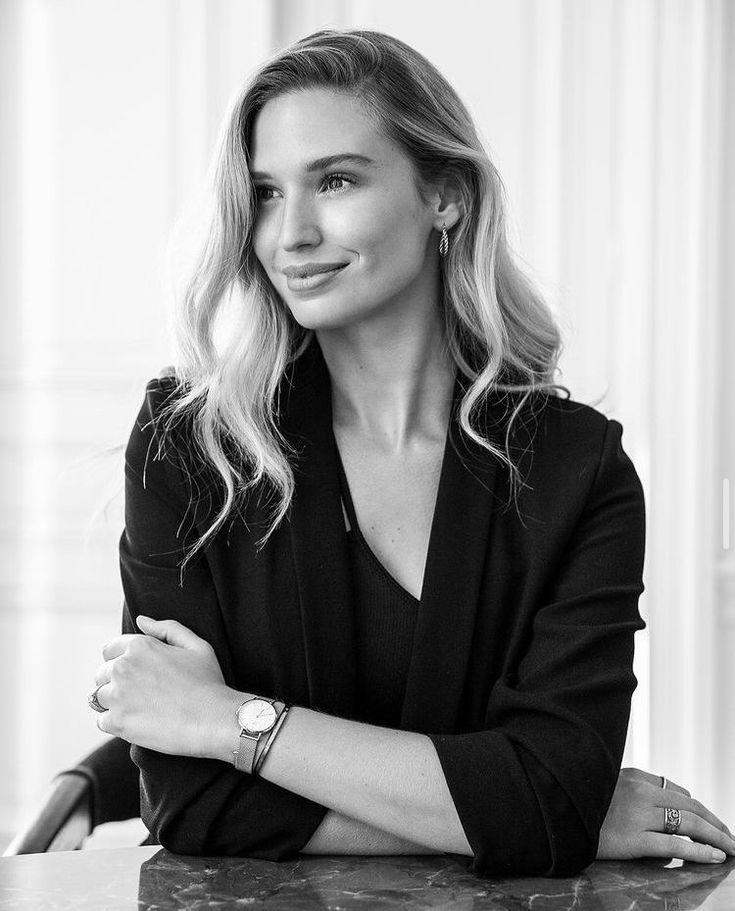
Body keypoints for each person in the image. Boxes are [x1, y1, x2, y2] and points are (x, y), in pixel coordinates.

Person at [87, 28, 734, 876]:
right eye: (266, 194)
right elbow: (190, 804)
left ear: (446, 195)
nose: (292, 233)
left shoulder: (577, 470)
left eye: (337, 180)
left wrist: (228, 721)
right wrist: (530, 814)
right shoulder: (192, 444)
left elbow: (551, 795)